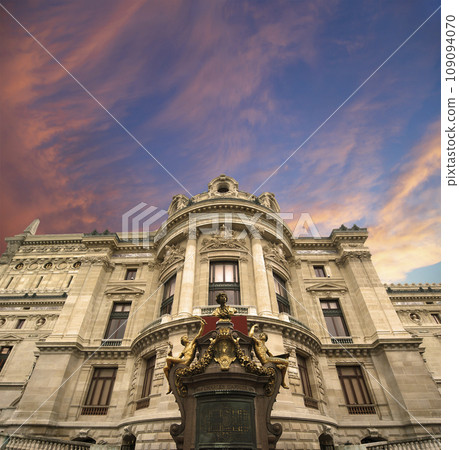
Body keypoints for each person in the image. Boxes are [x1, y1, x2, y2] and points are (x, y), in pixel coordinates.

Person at [164, 317, 206, 393]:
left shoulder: (192, 344)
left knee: (168, 359)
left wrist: (202, 326)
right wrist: (171, 349)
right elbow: (176, 358)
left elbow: (198, 335)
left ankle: (171, 376)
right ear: (183, 341)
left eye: (186, 337)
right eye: (185, 338)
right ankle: (170, 384)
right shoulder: (183, 350)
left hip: (186, 362)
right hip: (182, 361)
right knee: (165, 368)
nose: (186, 338)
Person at [249, 324, 289, 389]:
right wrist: (253, 327)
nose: (261, 335)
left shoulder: (265, 348)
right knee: (285, 362)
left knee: (285, 365)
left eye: (263, 335)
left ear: (266, 338)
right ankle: (282, 382)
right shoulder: (257, 342)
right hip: (265, 361)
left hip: (268, 360)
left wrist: (280, 359)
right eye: (260, 335)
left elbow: (272, 356)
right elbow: (250, 336)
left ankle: (282, 381)